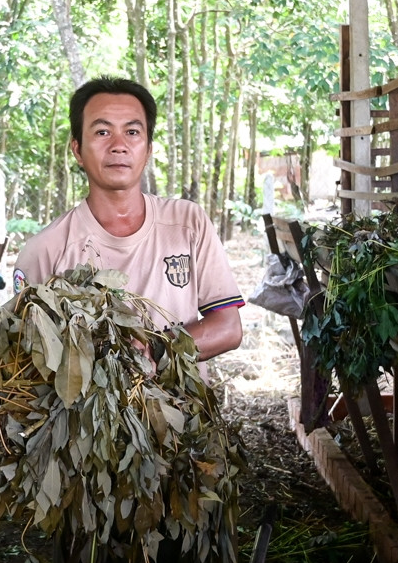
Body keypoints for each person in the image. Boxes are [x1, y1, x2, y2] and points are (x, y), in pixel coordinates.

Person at [14, 77, 244, 360]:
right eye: (102, 132)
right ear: (77, 150)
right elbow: (22, 355)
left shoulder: (187, 223)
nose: (119, 145)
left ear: (148, 149)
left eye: (133, 132)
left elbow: (228, 328)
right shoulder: (46, 250)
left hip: (185, 405)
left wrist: (154, 352)